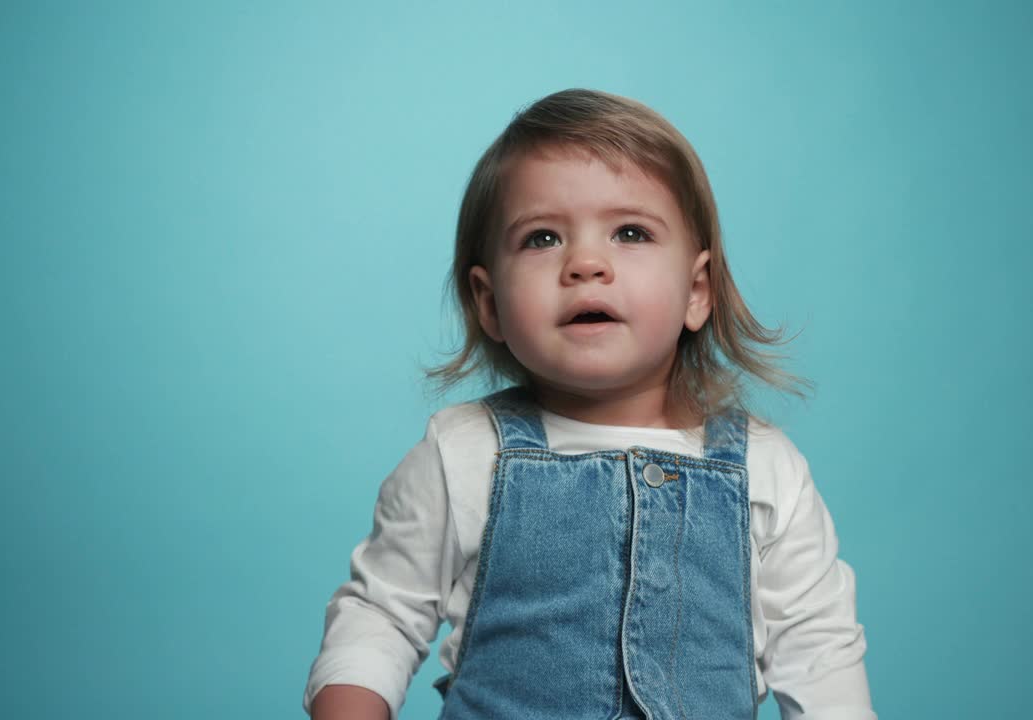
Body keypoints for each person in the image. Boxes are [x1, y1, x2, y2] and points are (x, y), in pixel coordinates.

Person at [303, 88, 876, 720]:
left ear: (695, 291)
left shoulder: (768, 470)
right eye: (543, 238)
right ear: (488, 302)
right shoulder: (465, 454)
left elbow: (820, 657)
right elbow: (380, 613)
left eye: (630, 232)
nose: (585, 263)